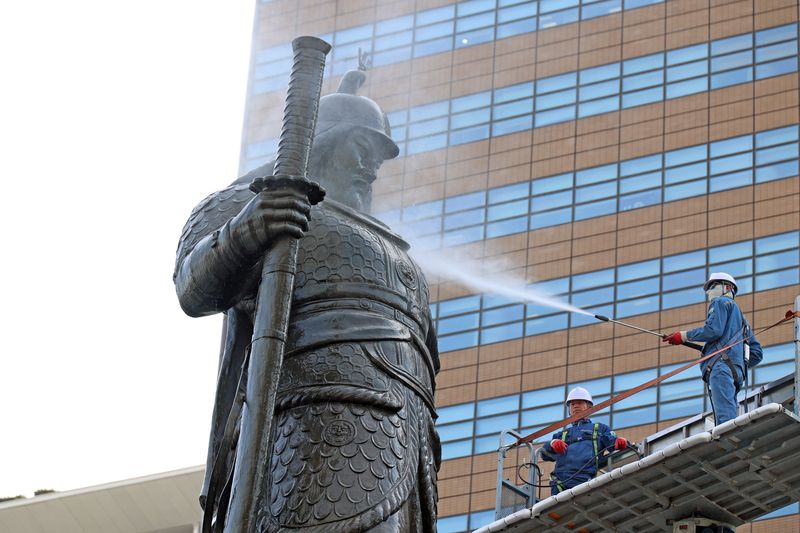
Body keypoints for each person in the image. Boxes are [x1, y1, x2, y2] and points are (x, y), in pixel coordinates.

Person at [174, 69, 440, 532]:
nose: (372, 166)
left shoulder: (396, 248)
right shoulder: (260, 200)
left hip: (408, 438)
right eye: (363, 149)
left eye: (378, 156)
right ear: (327, 142)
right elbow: (194, 288)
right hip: (314, 421)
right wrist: (248, 229)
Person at [663, 272, 763, 425]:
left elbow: (713, 330)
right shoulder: (743, 322)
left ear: (727, 287)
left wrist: (683, 335)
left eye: (713, 286)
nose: (709, 291)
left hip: (721, 368)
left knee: (725, 421)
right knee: (728, 412)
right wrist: (735, 361)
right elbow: (756, 354)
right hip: (735, 373)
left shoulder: (721, 302)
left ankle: (729, 440)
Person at [540, 387, 630, 495]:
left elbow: (612, 443)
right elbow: (544, 454)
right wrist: (552, 444)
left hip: (585, 480)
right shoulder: (562, 434)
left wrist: (621, 442)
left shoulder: (599, 429)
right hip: (560, 483)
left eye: (579, 403)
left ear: (589, 406)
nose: (576, 406)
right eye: (572, 404)